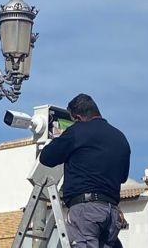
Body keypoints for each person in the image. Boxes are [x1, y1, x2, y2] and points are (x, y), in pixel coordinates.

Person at [39, 93, 131, 248]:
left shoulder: (77, 131)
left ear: (78, 118)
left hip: (86, 210)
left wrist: (62, 138)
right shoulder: (120, 137)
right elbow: (122, 177)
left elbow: (47, 157)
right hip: (112, 214)